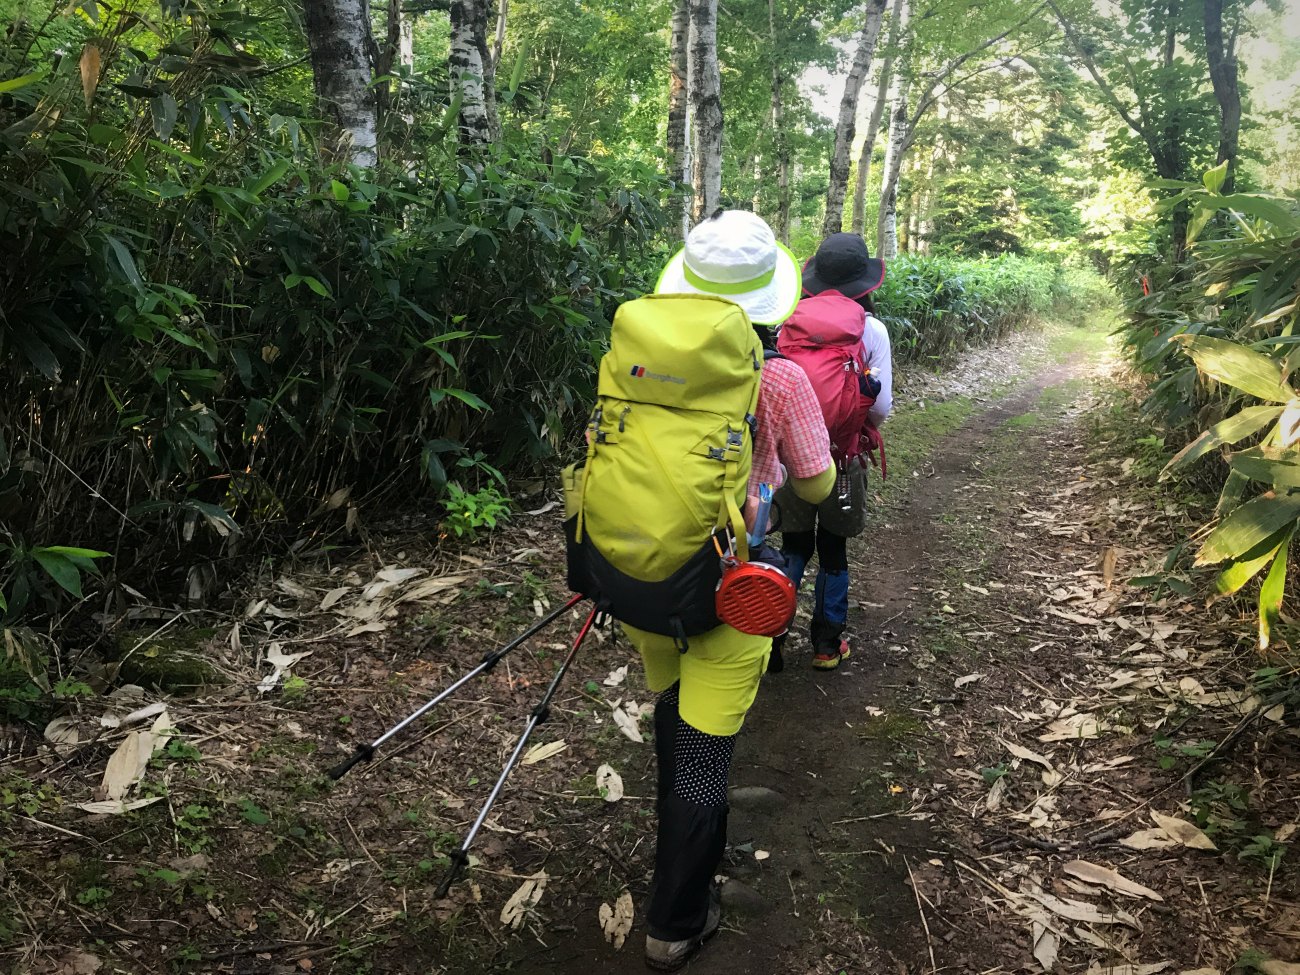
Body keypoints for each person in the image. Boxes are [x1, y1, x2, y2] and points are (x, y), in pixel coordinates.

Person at [627, 210, 834, 970]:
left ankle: (678, 830)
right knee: (708, 754)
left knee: (674, 709)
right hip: (727, 589)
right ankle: (677, 918)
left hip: (640, 571)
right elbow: (817, 480)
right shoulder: (777, 376)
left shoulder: (636, 362)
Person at [771, 232, 893, 671]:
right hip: (843, 459)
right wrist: (855, 429)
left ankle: (772, 639)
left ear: (814, 276)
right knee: (834, 549)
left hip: (789, 460)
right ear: (865, 283)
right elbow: (880, 407)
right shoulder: (871, 329)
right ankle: (826, 645)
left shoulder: (788, 321)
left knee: (792, 547)